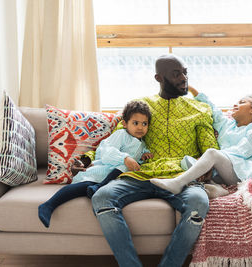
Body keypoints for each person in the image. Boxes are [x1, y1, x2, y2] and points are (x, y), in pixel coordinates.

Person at [88, 54, 219, 267]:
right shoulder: (141, 108)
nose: (184, 78)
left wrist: (207, 168)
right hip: (142, 173)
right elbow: (112, 143)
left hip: (181, 176)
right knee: (102, 197)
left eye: (185, 72)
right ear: (159, 78)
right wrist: (97, 158)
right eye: (176, 74)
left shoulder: (200, 110)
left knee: (199, 202)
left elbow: (211, 149)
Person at [38, 100, 153, 228]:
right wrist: (125, 158)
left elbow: (137, 160)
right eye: (135, 123)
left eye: (144, 124)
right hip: (105, 170)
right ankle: (49, 204)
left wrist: (144, 156)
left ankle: (97, 188)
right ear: (125, 124)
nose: (140, 127)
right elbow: (107, 151)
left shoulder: (143, 144)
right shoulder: (121, 135)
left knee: (90, 187)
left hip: (116, 180)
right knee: (81, 187)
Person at [150, 85, 252, 194]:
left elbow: (244, 151)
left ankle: (177, 183)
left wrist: (212, 160)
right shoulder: (227, 125)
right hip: (222, 171)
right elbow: (213, 110)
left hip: (242, 171)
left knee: (211, 153)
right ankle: (215, 187)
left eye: (242, 102)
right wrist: (191, 89)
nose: (235, 105)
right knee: (186, 161)